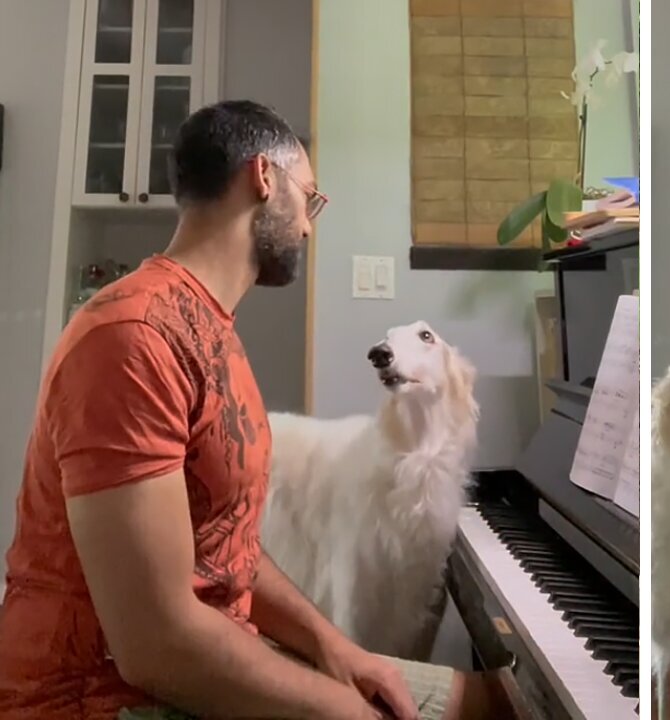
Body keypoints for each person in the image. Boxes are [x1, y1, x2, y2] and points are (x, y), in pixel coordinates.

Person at [0, 100, 512, 720]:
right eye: (311, 200)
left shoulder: (213, 334)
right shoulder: (131, 337)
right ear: (265, 179)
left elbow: (226, 549)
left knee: (501, 704)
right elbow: (154, 647)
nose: (307, 227)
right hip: (102, 699)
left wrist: (335, 648)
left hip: (208, 652)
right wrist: (339, 709)